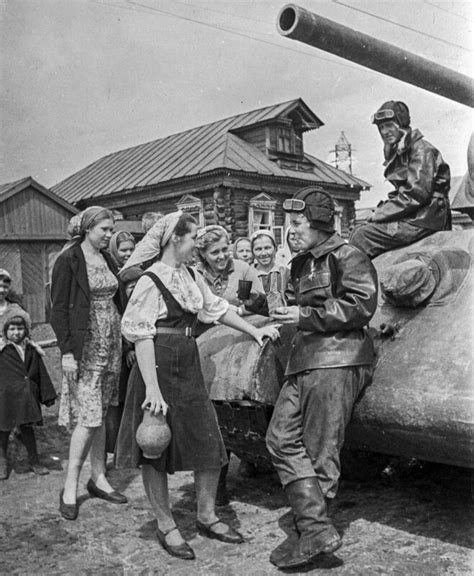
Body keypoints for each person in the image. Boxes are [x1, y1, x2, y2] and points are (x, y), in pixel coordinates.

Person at [116, 211, 280, 561]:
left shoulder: (190, 274)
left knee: (209, 440)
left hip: (187, 361)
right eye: (192, 238)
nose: (196, 245)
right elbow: (141, 336)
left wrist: (255, 330)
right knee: (154, 445)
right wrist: (152, 390)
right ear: (176, 239)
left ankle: (206, 516)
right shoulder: (150, 280)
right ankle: (166, 524)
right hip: (156, 364)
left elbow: (216, 309)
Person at [265, 187, 378, 569]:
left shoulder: (349, 256)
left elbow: (360, 305)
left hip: (338, 359)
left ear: (318, 223)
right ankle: (314, 527)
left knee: (320, 449)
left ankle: (312, 531)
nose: (289, 230)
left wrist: (303, 316)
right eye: (288, 222)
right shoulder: (300, 264)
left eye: (297, 223)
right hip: (305, 360)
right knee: (279, 438)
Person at [50, 206, 126, 521]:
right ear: (88, 228)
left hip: (112, 341)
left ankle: (99, 478)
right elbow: (57, 310)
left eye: (111, 230)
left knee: (104, 410)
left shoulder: (107, 258)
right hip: (86, 345)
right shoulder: (68, 260)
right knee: (89, 416)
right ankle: (70, 486)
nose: (109, 235)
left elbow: (117, 298)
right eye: (104, 230)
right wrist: (67, 352)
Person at [349, 100, 451, 259]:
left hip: (425, 218)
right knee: (359, 230)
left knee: (362, 237)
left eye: (389, 125)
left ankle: (359, 283)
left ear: (401, 125)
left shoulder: (421, 149)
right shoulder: (401, 151)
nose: (385, 131)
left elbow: (416, 194)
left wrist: (382, 213)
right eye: (381, 127)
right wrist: (382, 210)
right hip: (416, 215)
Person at [0, 310, 57, 480]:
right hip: (6, 398)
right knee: (3, 430)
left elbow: (40, 373)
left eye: (20, 329)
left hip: (26, 397)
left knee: (27, 429)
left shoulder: (31, 349)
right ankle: (2, 462)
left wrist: (47, 395)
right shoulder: (2, 350)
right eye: (12, 329)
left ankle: (34, 461)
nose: (16, 333)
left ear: (26, 330)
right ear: (5, 331)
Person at [105, 231, 137, 460]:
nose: (127, 254)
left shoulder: (139, 271)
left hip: (136, 341)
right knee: (117, 399)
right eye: (123, 250)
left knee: (132, 397)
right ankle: (114, 449)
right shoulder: (112, 276)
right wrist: (127, 347)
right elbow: (119, 314)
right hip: (118, 344)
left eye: (130, 249)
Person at [195, 225, 264, 313]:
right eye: (215, 252)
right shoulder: (196, 274)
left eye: (224, 250)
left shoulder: (242, 269)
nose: (222, 256)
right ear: (202, 254)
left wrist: (239, 310)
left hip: (242, 324)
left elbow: (261, 303)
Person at [251, 230, 290, 313]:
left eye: (267, 248)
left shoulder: (286, 273)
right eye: (258, 249)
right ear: (252, 252)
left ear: (275, 249)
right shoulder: (248, 274)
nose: (264, 253)